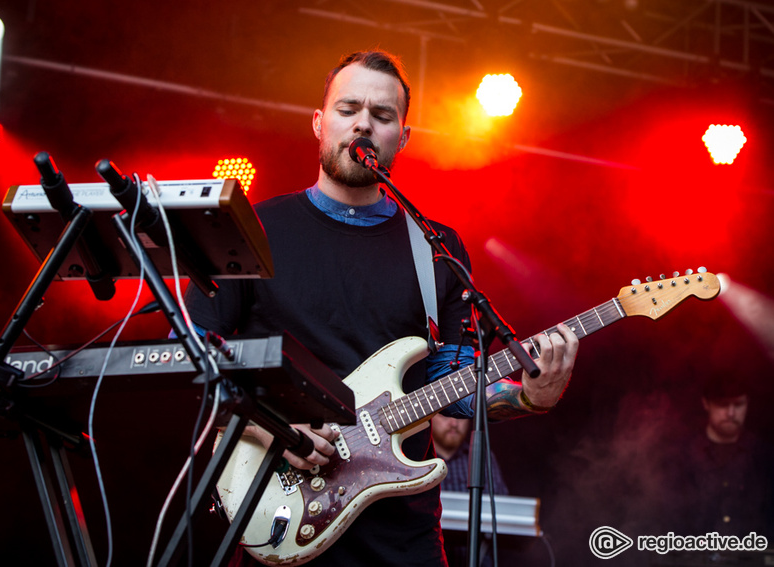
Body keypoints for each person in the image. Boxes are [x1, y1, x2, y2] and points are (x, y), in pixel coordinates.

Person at [184, 50, 579, 566]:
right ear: (320, 123)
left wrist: (529, 395)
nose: (363, 123)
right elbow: (193, 359)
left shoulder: (433, 246)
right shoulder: (254, 231)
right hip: (280, 499)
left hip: (402, 531)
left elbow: (452, 380)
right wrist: (273, 433)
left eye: (382, 115)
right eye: (348, 109)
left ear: (403, 138)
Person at [673, 375, 773, 539]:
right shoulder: (682, 456)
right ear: (706, 404)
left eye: (739, 404)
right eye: (723, 405)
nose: (731, 413)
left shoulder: (764, 456)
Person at [432, 414, 508, 567]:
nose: (454, 423)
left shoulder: (484, 459)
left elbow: (501, 515)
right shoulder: (416, 461)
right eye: (446, 415)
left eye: (460, 416)